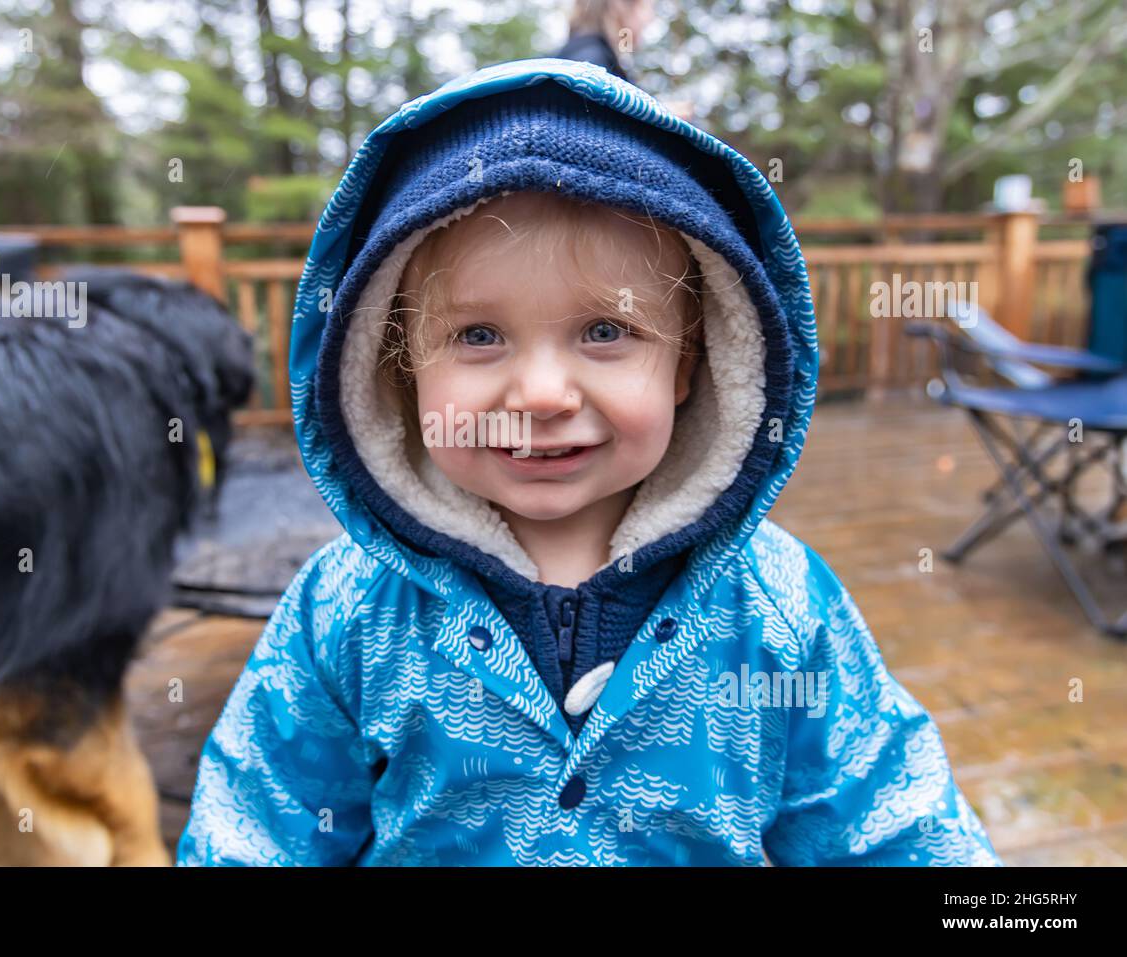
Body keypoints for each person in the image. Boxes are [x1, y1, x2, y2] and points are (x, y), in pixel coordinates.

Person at [176, 59, 1003, 866]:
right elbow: (254, 826)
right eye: (477, 335)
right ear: (398, 371)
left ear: (690, 365)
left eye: (605, 332)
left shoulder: (779, 608)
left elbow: (895, 823)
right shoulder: (348, 611)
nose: (540, 393)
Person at [556, 0, 654, 82]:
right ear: (619, 6)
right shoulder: (593, 67)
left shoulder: (576, 56)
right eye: (645, 7)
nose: (650, 18)